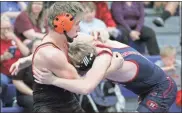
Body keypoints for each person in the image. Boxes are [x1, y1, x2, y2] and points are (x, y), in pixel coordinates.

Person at [10, 2, 123, 113]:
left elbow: (99, 39)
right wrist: (113, 67)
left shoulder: (61, 39)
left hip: (69, 102)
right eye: (77, 24)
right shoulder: (52, 54)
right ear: (63, 24)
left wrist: (103, 33)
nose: (79, 28)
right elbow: (85, 86)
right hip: (51, 108)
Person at [33, 31, 177, 112]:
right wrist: (28, 58)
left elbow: (85, 87)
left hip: (162, 88)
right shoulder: (92, 41)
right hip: (146, 87)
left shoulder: (108, 62)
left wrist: (52, 80)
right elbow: (58, 39)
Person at [0, 15, 30, 107]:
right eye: (3, 28)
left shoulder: (15, 39)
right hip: (4, 72)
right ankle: (5, 102)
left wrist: (15, 39)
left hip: (18, 72)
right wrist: (3, 57)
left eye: (9, 28)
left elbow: (26, 53)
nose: (6, 30)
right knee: (3, 82)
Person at [12, 39, 41, 112]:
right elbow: (17, 81)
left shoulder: (51, 62)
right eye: (36, 47)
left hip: (44, 94)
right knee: (34, 102)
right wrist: (33, 93)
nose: (39, 49)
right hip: (27, 94)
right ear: (31, 49)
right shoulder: (23, 62)